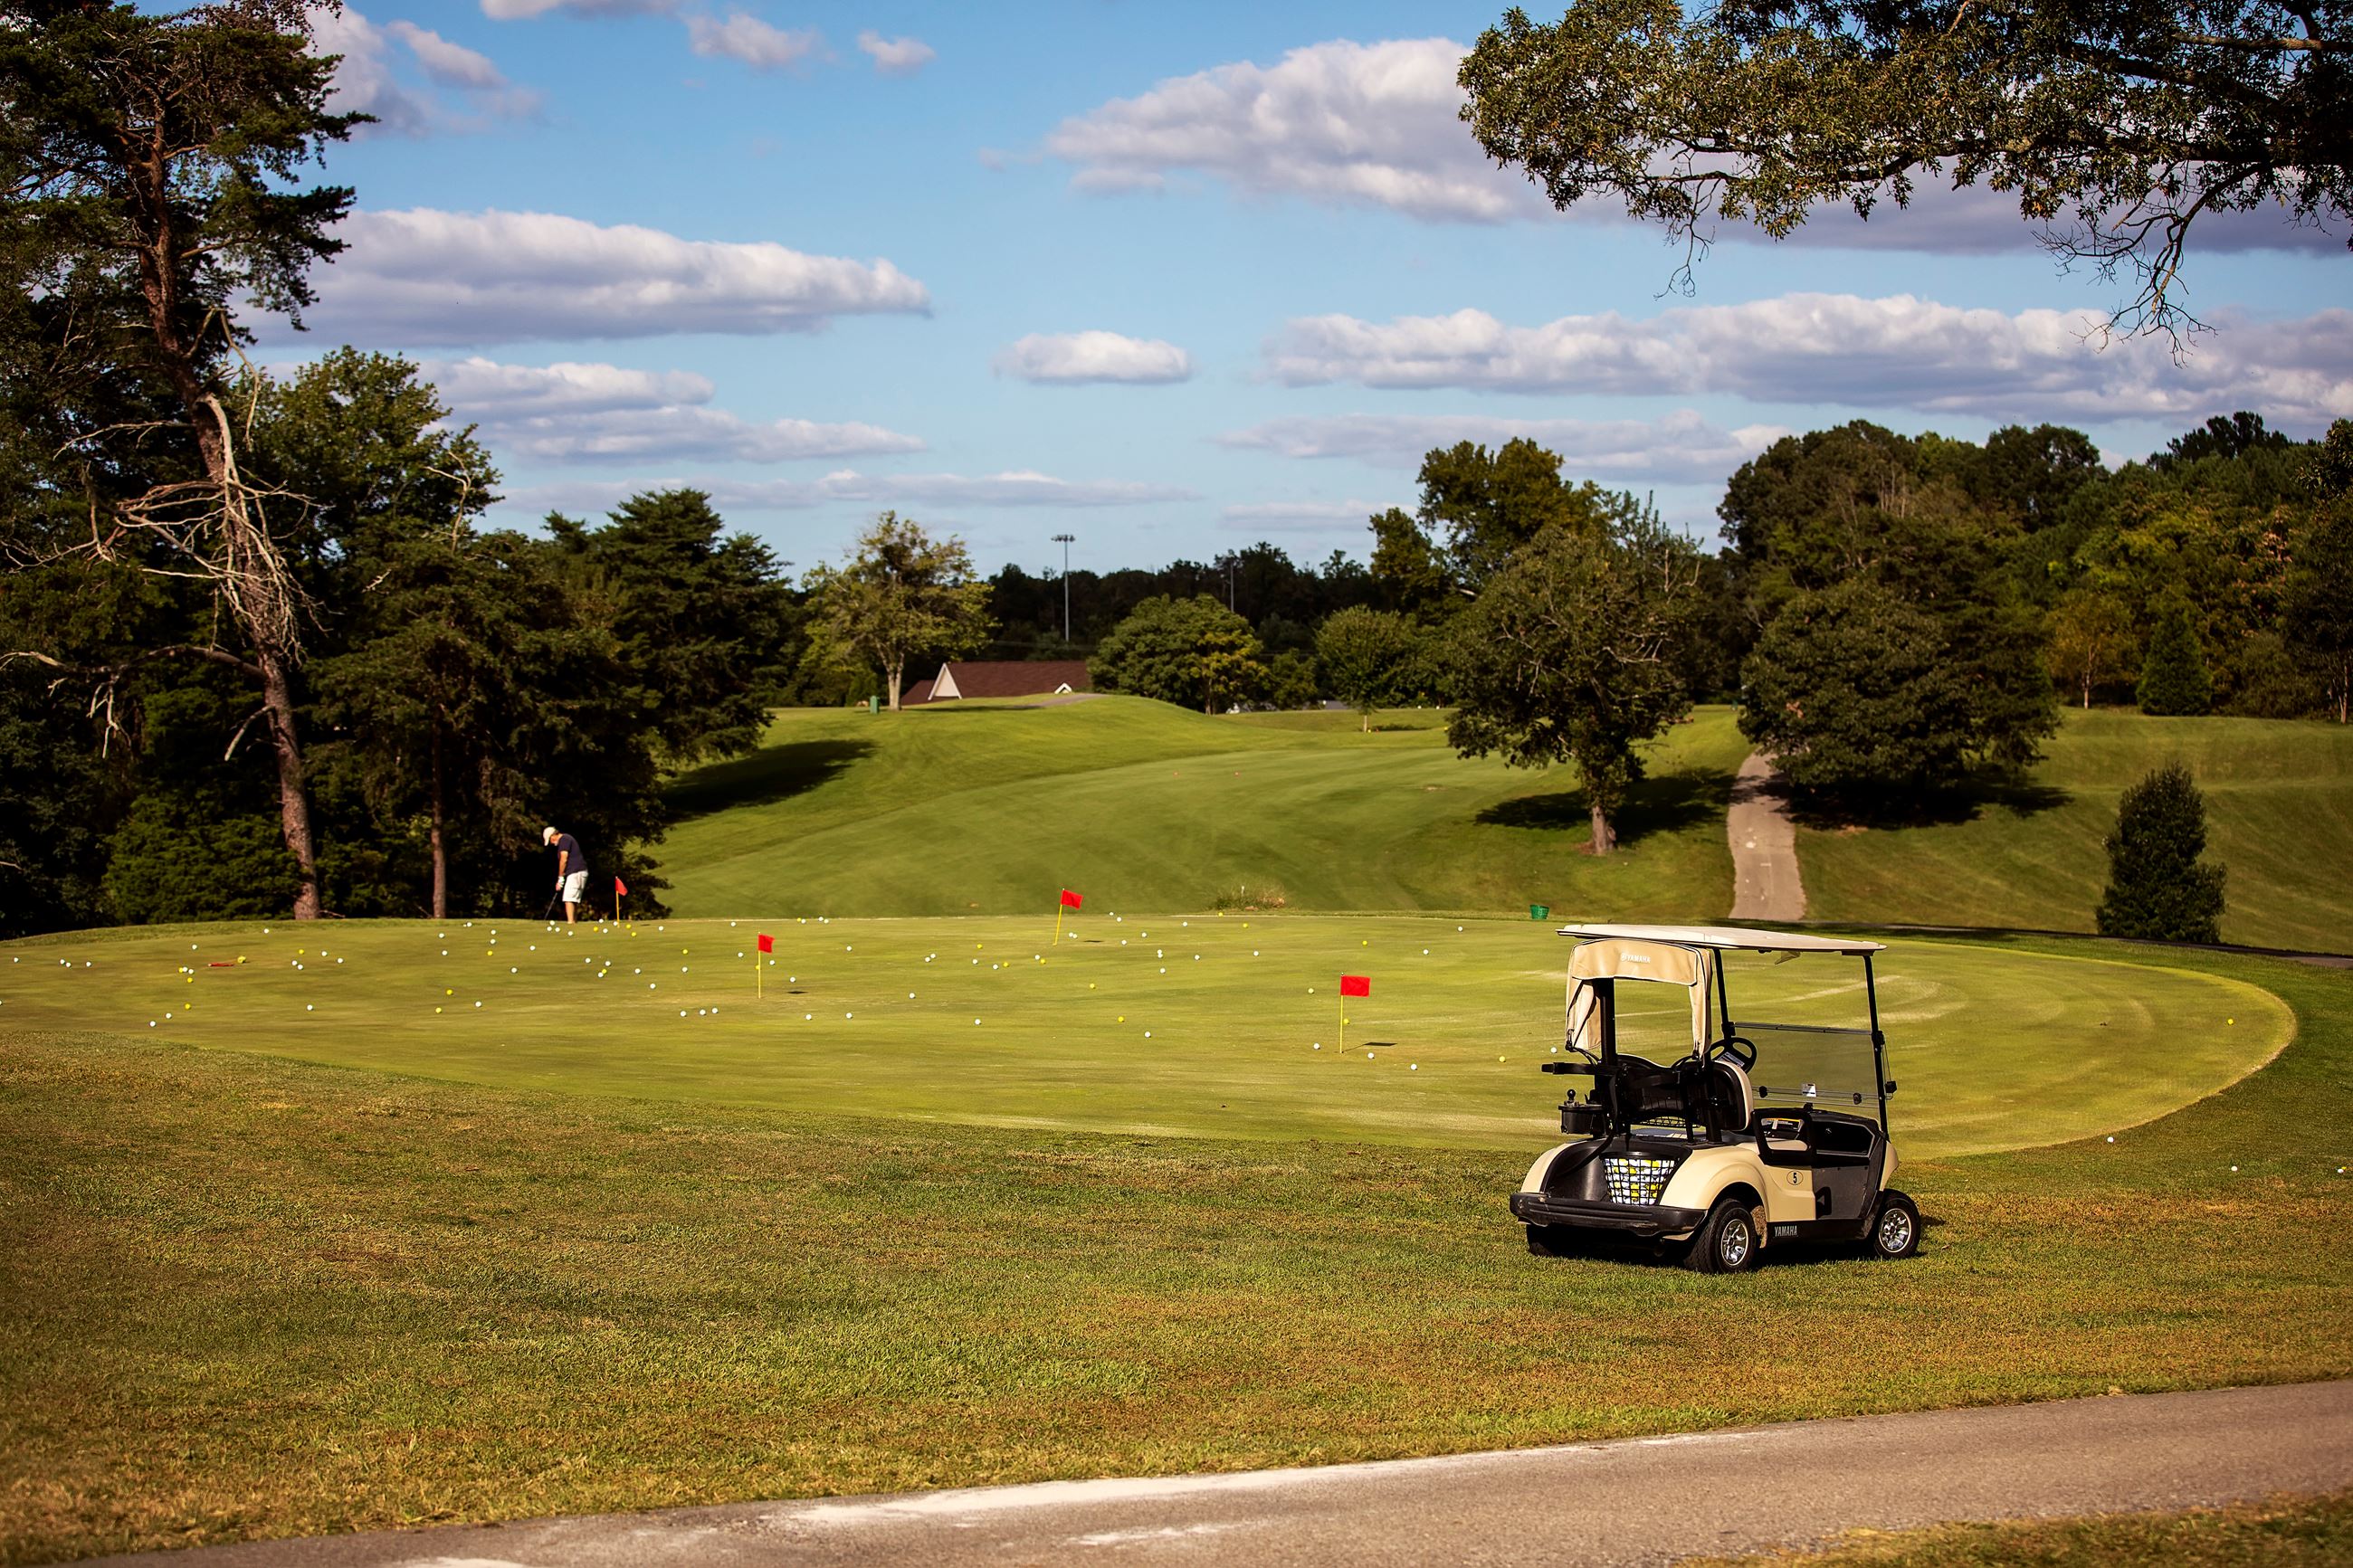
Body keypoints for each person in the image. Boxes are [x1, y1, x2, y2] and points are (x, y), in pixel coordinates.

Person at [544, 825, 589, 924]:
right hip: (579, 872)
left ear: (553, 836)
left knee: (568, 898)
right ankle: (573, 921)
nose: (551, 843)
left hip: (576, 872)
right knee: (572, 899)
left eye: (550, 840)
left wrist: (560, 878)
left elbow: (563, 859)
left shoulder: (564, 839)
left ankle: (570, 923)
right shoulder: (566, 839)